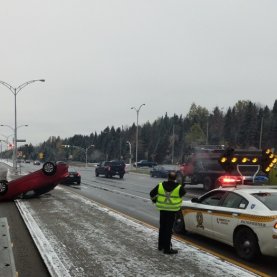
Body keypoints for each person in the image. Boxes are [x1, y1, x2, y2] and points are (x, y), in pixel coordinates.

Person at [150, 171, 186, 254]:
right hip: (172, 211)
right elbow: (183, 193)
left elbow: (152, 193)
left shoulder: (160, 185)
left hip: (162, 210)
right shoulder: (179, 187)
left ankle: (160, 246)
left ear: (168, 177)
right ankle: (167, 249)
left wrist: (155, 200)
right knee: (168, 230)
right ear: (175, 178)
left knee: (162, 228)